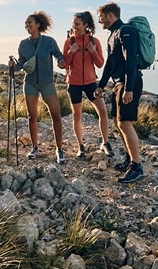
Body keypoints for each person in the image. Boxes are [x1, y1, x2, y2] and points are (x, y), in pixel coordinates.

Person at [94, 2, 145, 183]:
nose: (99, 20)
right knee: (117, 122)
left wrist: (128, 88)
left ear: (110, 15)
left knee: (124, 123)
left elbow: (130, 60)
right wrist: (101, 85)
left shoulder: (125, 31)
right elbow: (109, 63)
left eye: (100, 16)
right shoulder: (113, 35)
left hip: (127, 83)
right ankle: (130, 158)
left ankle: (137, 167)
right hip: (118, 84)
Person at [9, 11, 67, 164]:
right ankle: (35, 147)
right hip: (30, 84)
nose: (27, 25)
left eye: (30, 23)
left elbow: (58, 55)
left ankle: (59, 149)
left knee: (56, 115)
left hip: (47, 83)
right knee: (32, 116)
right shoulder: (23, 44)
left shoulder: (49, 41)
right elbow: (21, 64)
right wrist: (12, 67)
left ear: (38, 25)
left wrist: (62, 62)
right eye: (26, 23)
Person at [62, 11, 114, 158]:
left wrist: (92, 51)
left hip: (91, 83)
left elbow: (100, 63)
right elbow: (64, 65)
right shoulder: (69, 42)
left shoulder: (94, 41)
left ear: (86, 25)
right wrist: (71, 52)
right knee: (76, 116)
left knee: (103, 113)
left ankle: (105, 143)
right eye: (73, 24)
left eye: (77, 24)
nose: (74, 27)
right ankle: (81, 146)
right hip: (74, 84)